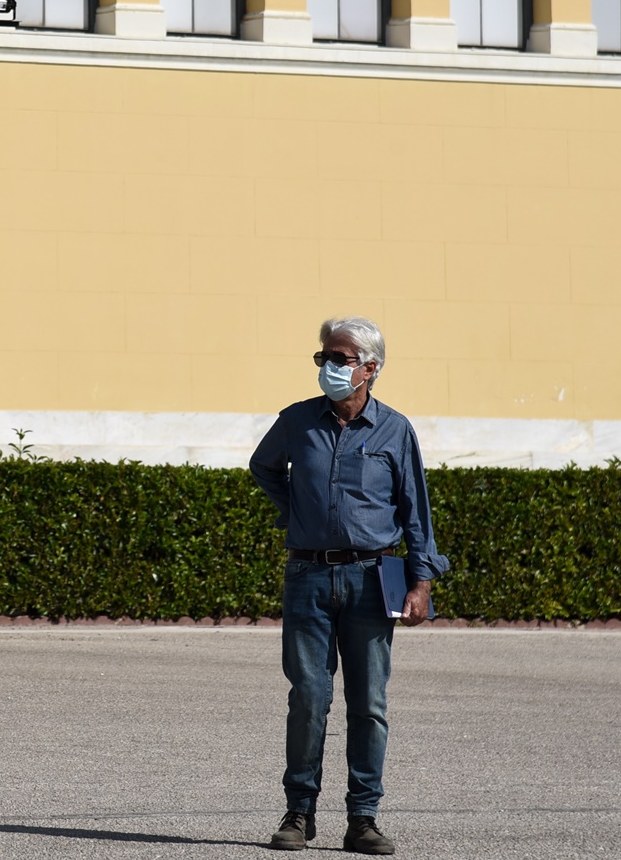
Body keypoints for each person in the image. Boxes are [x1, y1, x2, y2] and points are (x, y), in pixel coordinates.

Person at [248, 316, 449, 856]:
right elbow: (263, 467)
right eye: (324, 358)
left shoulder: (394, 430)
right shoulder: (296, 421)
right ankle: (299, 812)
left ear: (370, 368)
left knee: (369, 704)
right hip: (307, 575)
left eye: (340, 359)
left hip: (371, 577)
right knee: (309, 697)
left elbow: (416, 512)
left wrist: (421, 581)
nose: (329, 367)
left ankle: (363, 817)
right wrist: (297, 511)